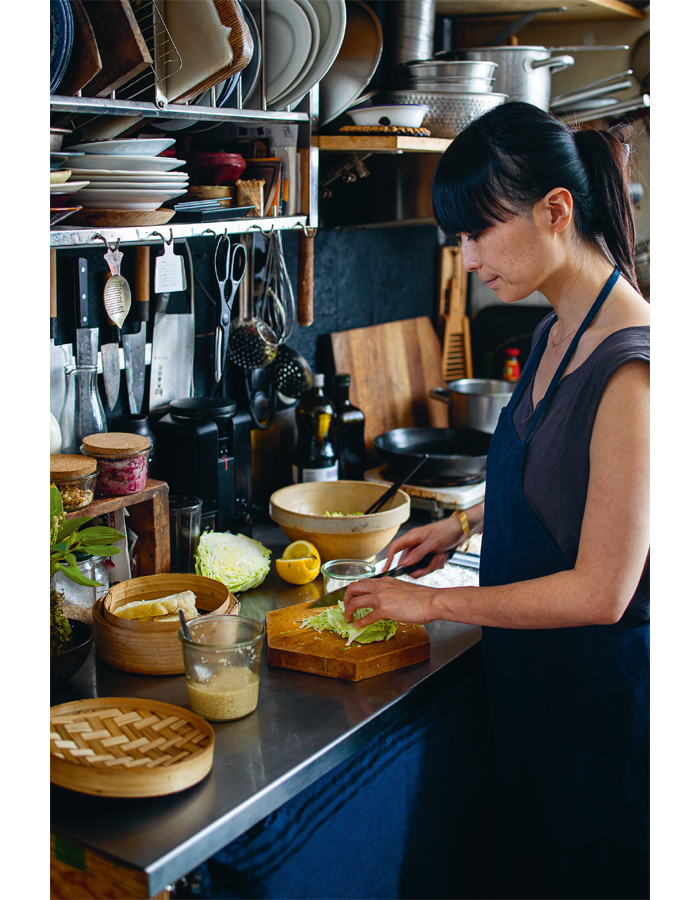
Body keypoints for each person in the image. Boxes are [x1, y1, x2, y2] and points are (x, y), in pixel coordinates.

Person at [342, 101, 650, 899]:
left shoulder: (634, 373)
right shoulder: (553, 330)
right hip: (532, 699)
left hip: (599, 717)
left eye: (480, 231)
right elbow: (556, 477)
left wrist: (431, 605)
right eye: (459, 236)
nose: (468, 256)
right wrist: (462, 520)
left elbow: (602, 590)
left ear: (557, 210)